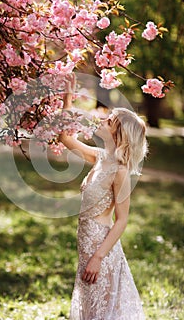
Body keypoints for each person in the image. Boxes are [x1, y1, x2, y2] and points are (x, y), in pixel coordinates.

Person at [59, 74, 147, 320]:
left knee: (103, 311)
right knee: (90, 308)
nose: (102, 120)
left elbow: (122, 220)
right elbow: (65, 138)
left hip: (101, 246)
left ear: (118, 134)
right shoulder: (99, 157)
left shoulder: (120, 171)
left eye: (109, 121)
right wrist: (67, 98)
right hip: (85, 243)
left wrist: (98, 257)